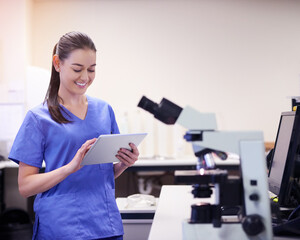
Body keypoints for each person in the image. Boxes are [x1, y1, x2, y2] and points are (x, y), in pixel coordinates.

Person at [8, 31, 139, 240]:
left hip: (106, 225)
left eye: (92, 69)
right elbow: (25, 187)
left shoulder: (104, 110)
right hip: (62, 227)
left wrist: (123, 164)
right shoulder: (38, 118)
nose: (85, 77)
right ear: (57, 64)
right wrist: (70, 168)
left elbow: (100, 174)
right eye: (77, 69)